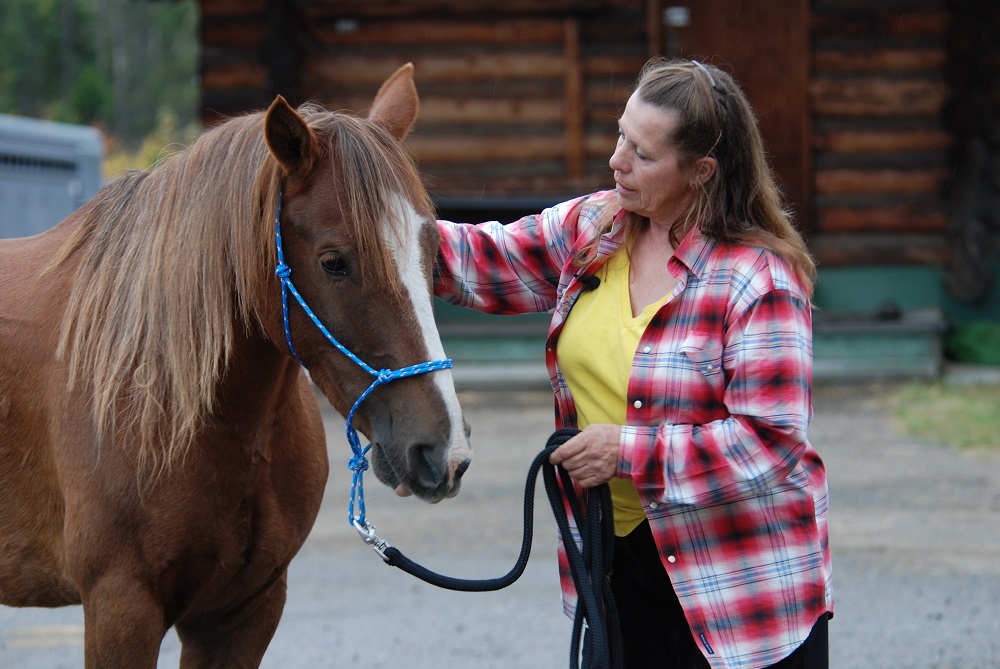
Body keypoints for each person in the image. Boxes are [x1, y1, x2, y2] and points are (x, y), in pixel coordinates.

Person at [433, 58, 832, 669]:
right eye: (621, 134)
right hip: (617, 566)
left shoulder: (759, 280)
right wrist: (365, 215)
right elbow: (481, 259)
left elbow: (769, 443)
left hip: (737, 589)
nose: (617, 159)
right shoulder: (593, 228)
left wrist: (626, 452)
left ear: (701, 172)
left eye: (643, 154)